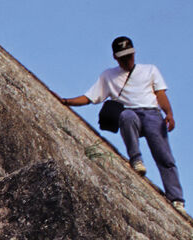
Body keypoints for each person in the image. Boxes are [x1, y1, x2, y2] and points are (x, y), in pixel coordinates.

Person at [59, 36, 184, 210]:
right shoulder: (108, 75)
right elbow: (90, 97)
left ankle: (177, 199)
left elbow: (160, 94)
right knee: (126, 116)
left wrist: (168, 113)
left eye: (130, 55)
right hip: (131, 114)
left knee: (164, 156)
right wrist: (66, 101)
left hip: (152, 113)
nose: (127, 60)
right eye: (123, 57)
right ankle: (136, 160)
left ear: (134, 53)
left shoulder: (150, 70)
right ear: (115, 57)